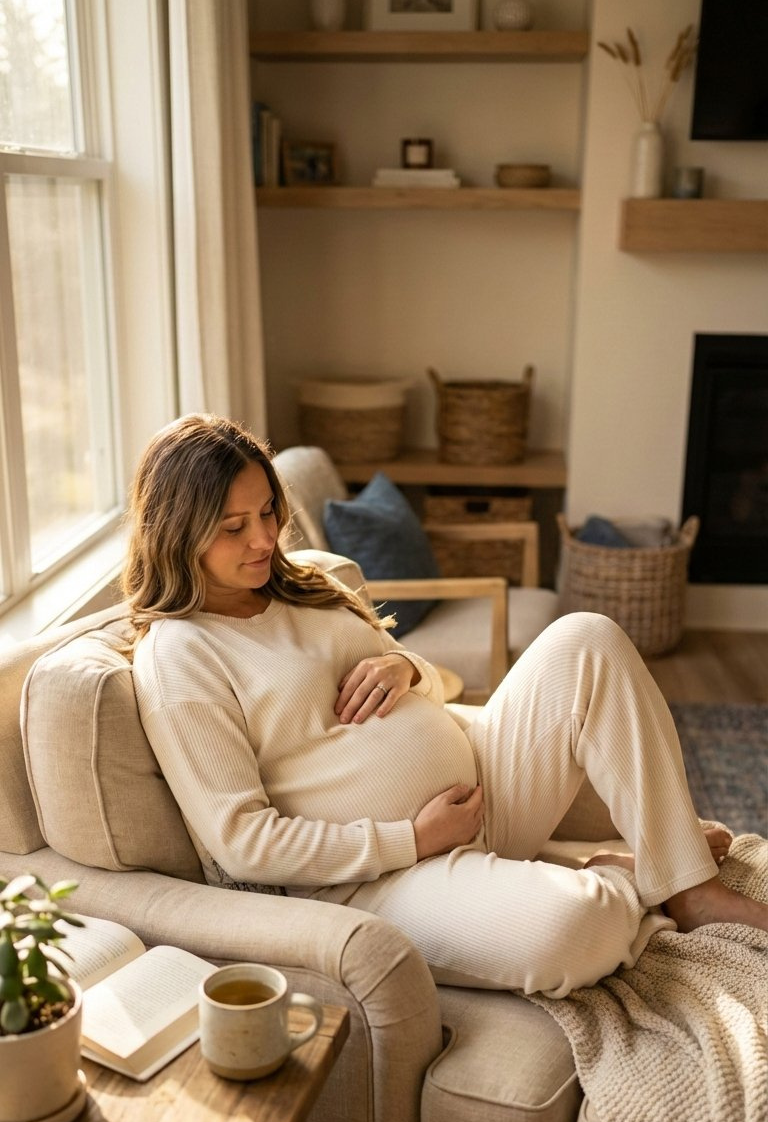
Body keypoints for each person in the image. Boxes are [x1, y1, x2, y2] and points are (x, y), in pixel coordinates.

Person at [124, 414, 767, 999]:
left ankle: (686, 888)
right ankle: (616, 874)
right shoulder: (181, 656)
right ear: (178, 533)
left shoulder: (305, 587)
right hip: (383, 879)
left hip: (484, 793)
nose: (265, 539)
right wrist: (413, 838)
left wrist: (405, 666)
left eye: (268, 512)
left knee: (587, 639)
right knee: (578, 926)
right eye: (236, 527)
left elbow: (437, 686)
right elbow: (244, 843)